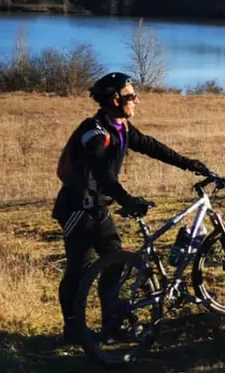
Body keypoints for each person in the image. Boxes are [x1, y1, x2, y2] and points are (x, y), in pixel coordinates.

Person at [53, 71, 215, 342]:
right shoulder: (94, 132)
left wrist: (189, 164)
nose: (137, 101)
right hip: (77, 208)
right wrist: (126, 199)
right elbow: (102, 173)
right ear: (115, 100)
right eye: (132, 96)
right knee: (79, 270)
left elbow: (151, 146)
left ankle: (111, 324)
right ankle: (73, 329)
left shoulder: (121, 127)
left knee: (116, 261)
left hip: (98, 206)